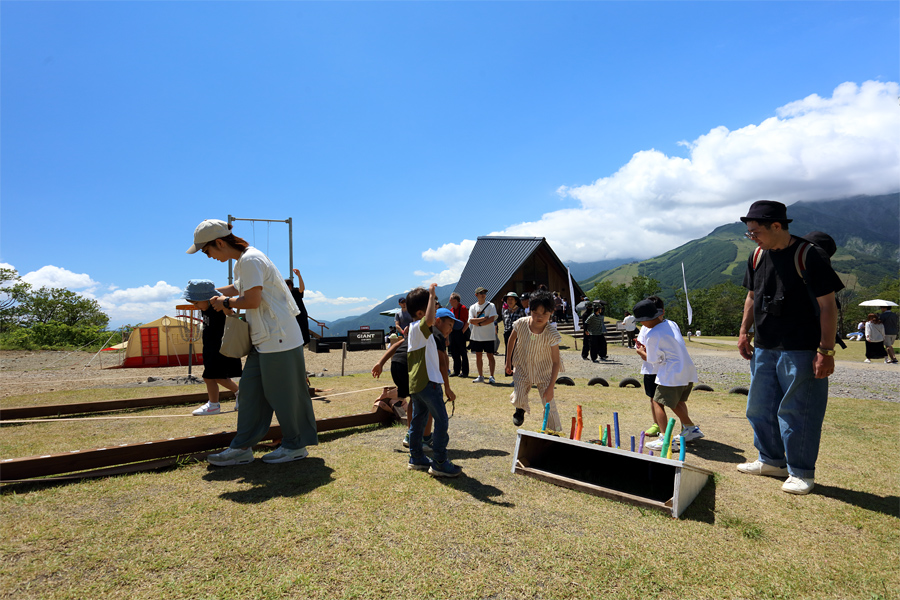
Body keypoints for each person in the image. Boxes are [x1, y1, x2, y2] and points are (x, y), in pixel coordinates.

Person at [187, 219, 318, 466]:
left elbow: (252, 300)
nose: (208, 256)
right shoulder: (245, 261)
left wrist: (225, 303)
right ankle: (242, 447)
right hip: (267, 339)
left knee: (286, 396)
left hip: (278, 339)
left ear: (218, 242)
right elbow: (238, 288)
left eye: (207, 251)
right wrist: (211, 293)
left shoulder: (250, 260)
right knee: (249, 394)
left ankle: (295, 445)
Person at [736, 200, 843, 495]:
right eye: (749, 233)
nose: (752, 237)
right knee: (759, 407)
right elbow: (751, 296)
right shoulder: (758, 255)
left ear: (777, 226)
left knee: (798, 411)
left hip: (801, 347)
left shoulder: (808, 255)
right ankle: (771, 461)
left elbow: (828, 305)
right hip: (765, 345)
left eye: (755, 231)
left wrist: (826, 350)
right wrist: (744, 332)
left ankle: (801, 472)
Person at [405, 284, 462, 477]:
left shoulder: (415, 330)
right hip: (428, 383)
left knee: (418, 421)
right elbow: (429, 319)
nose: (435, 309)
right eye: (433, 306)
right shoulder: (420, 328)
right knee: (442, 420)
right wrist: (431, 294)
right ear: (421, 312)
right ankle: (439, 461)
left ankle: (416, 457)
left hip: (417, 384)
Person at [632, 298, 703, 453]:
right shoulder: (671, 324)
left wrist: (641, 351)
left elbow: (652, 359)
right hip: (687, 369)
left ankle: (666, 439)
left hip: (671, 373)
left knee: (657, 401)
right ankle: (690, 429)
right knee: (676, 402)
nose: (642, 325)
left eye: (641, 322)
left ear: (645, 320)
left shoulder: (652, 334)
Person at [182, 279, 242, 416]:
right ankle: (240, 393)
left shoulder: (219, 305)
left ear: (207, 298)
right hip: (209, 346)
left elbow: (232, 315)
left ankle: (214, 405)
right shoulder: (206, 307)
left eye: (196, 302)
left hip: (221, 347)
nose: (196, 306)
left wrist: (226, 306)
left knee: (209, 377)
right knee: (219, 377)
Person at [505, 291, 563, 431]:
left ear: (551, 312)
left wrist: (550, 387)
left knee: (548, 402)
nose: (539, 317)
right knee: (519, 395)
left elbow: (556, 362)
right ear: (529, 310)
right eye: (536, 312)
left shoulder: (552, 334)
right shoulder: (521, 324)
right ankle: (520, 409)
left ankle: (553, 431)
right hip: (523, 366)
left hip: (544, 370)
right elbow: (511, 340)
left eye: (544, 313)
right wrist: (508, 362)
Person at [372, 335, 432, 448]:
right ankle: (425, 438)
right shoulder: (431, 332)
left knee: (414, 398)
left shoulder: (416, 330)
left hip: (396, 364)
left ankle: (410, 435)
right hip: (408, 365)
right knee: (428, 400)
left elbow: (395, 345)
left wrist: (380, 363)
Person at [634, 295, 678, 437]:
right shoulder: (645, 328)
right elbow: (640, 343)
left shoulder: (668, 325)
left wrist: (643, 351)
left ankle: (683, 428)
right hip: (650, 368)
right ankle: (656, 424)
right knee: (653, 398)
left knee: (672, 400)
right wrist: (642, 349)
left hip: (665, 369)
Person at [468, 286, 498, 383]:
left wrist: (479, 323)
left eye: (484, 293)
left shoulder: (491, 305)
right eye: (481, 293)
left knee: (490, 355)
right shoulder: (473, 307)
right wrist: (482, 319)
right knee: (478, 355)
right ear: (476, 295)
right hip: (477, 336)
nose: (483, 295)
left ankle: (491, 376)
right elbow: (471, 320)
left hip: (488, 336)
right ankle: (480, 376)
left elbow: (492, 319)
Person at [286, 268, 311, 346]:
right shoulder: (284, 294)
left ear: (289, 286)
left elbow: (302, 289)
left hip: (300, 315)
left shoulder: (294, 291)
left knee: (302, 332)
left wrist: (299, 276)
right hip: (290, 316)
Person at [447, 292, 470, 377]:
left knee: (463, 353)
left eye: (451, 299)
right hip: (453, 333)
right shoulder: (451, 310)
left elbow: (468, 322)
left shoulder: (463, 308)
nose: (449, 301)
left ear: (455, 300)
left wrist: (462, 332)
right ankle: (456, 371)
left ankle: (465, 372)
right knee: (454, 352)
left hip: (461, 333)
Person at [501, 292, 526, 368]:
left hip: (518, 334)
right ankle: (508, 369)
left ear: (516, 301)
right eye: (508, 299)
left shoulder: (521, 311)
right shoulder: (505, 311)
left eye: (512, 299)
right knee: (508, 351)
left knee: (517, 352)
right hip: (507, 333)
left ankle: (517, 369)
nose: (510, 301)